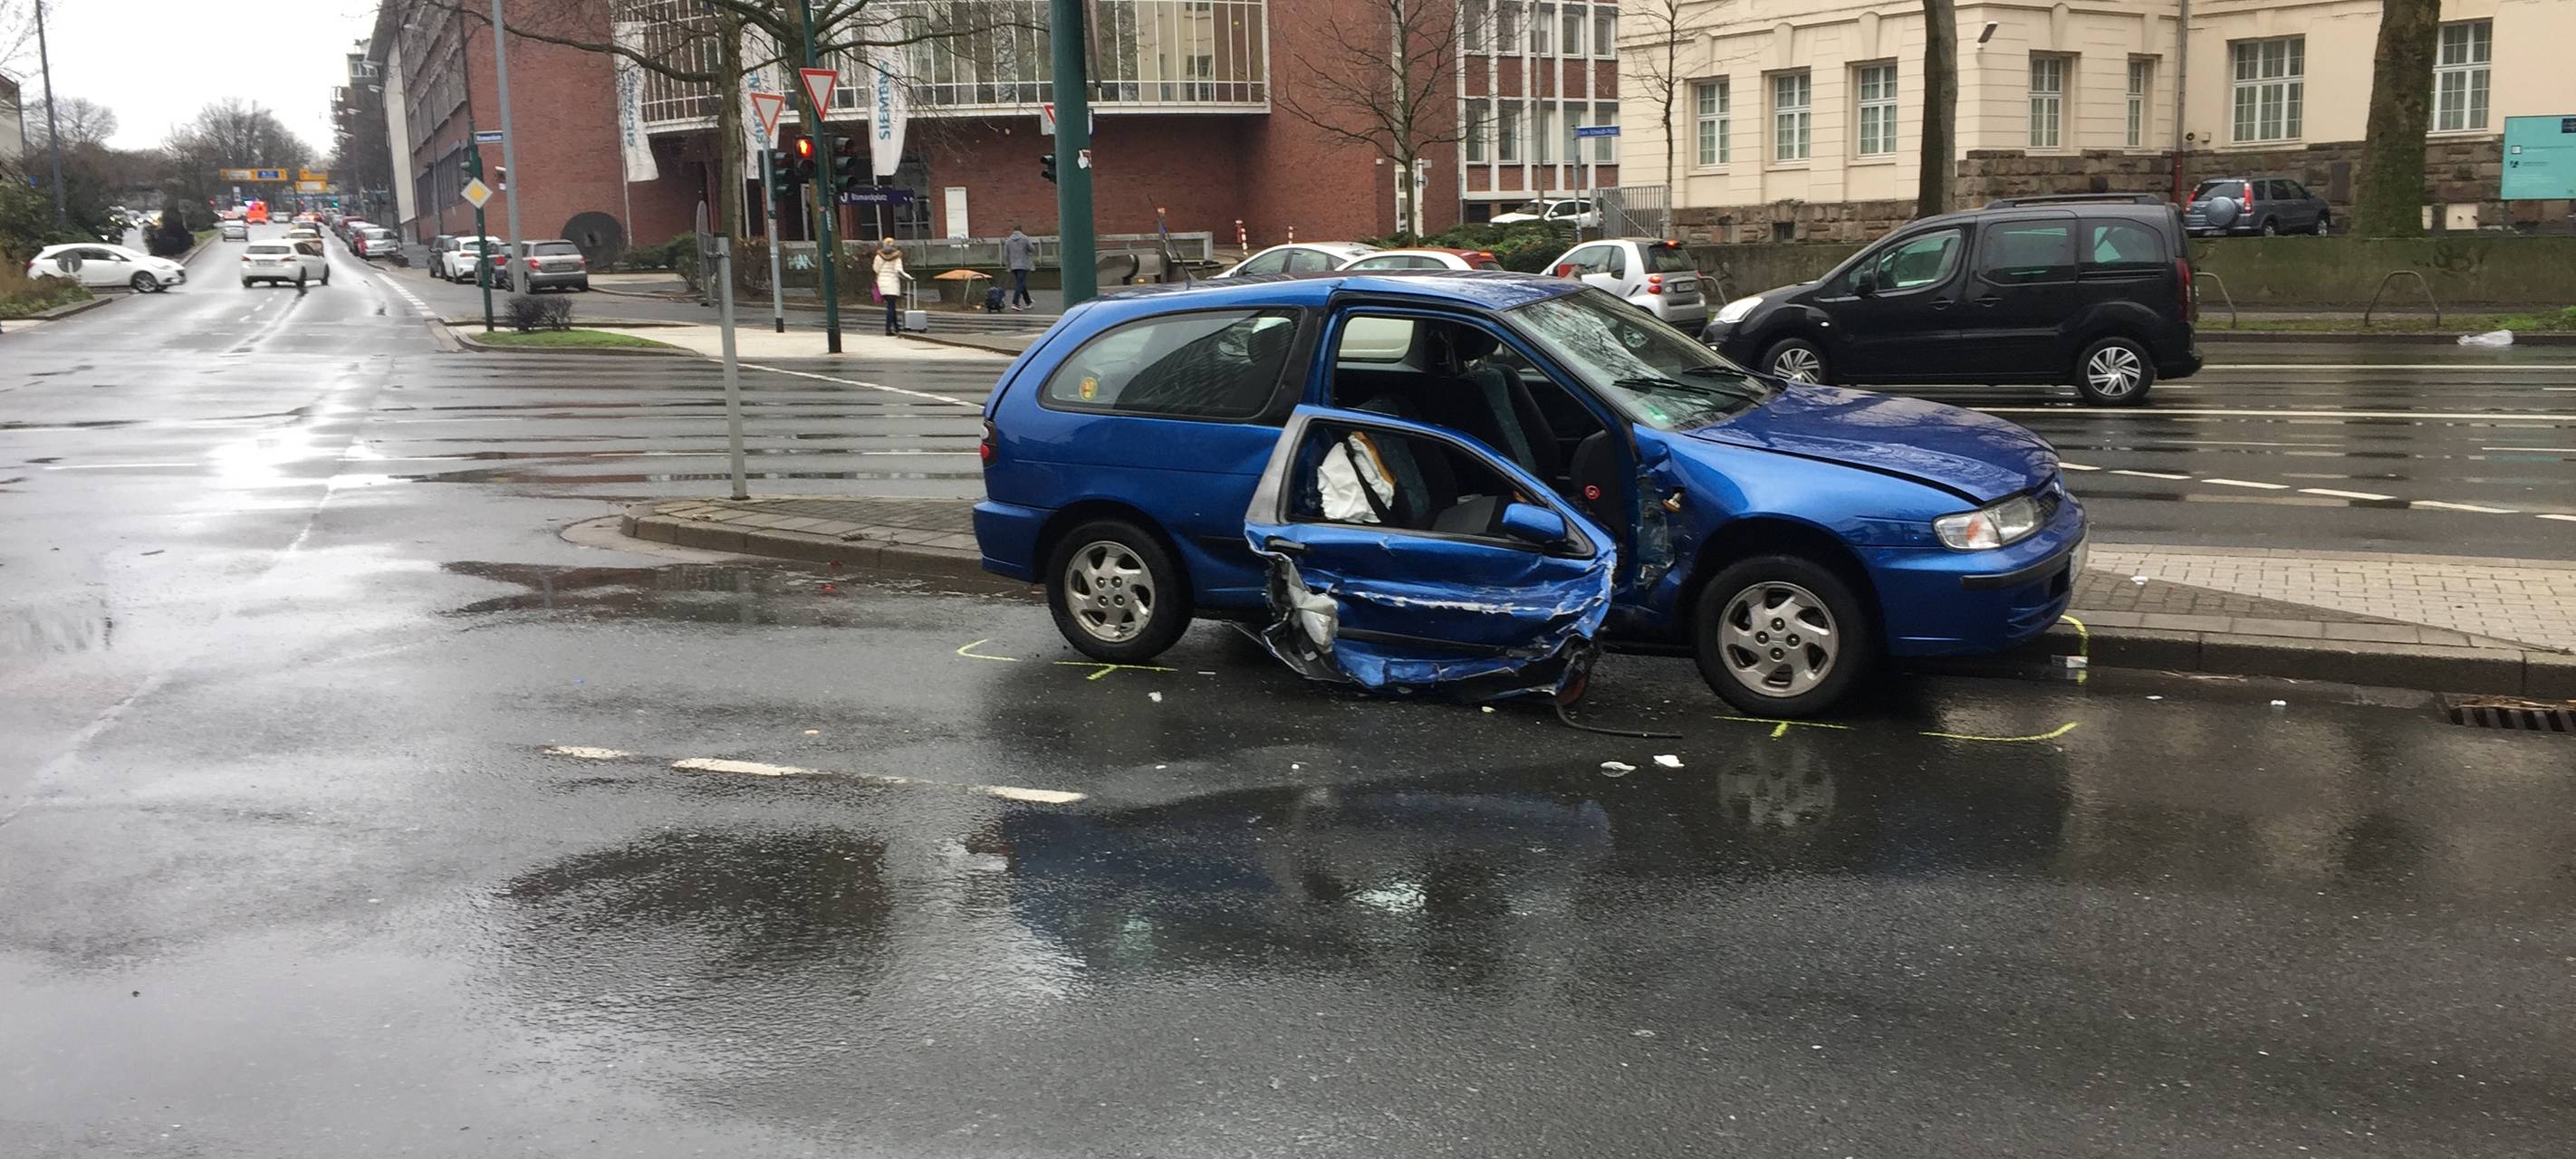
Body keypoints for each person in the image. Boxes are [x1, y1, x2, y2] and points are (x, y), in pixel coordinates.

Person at [871, 238, 908, 335]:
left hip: (882, 283)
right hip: (893, 282)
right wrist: (908, 277)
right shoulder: (897, 257)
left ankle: (896, 327)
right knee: (891, 306)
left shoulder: (878, 256)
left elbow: (876, 269)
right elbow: (898, 270)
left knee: (891, 306)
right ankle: (888, 329)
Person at [1003, 225, 1036, 311]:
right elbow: (1032, 249)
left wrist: (1007, 266)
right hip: (1023, 265)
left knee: (1021, 283)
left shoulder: (1008, 240)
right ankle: (1015, 302)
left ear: (1013, 230)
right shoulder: (1025, 238)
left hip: (1013, 266)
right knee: (1020, 284)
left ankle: (1028, 302)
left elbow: (1006, 255)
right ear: (1021, 230)